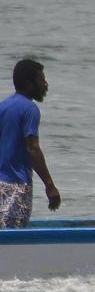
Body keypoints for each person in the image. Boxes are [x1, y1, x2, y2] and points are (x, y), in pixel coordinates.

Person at [0, 56, 62, 228]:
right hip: (16, 186)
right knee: (14, 238)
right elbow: (32, 149)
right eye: (42, 80)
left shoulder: (3, 107)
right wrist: (50, 185)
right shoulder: (29, 109)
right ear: (29, 83)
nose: (45, 85)